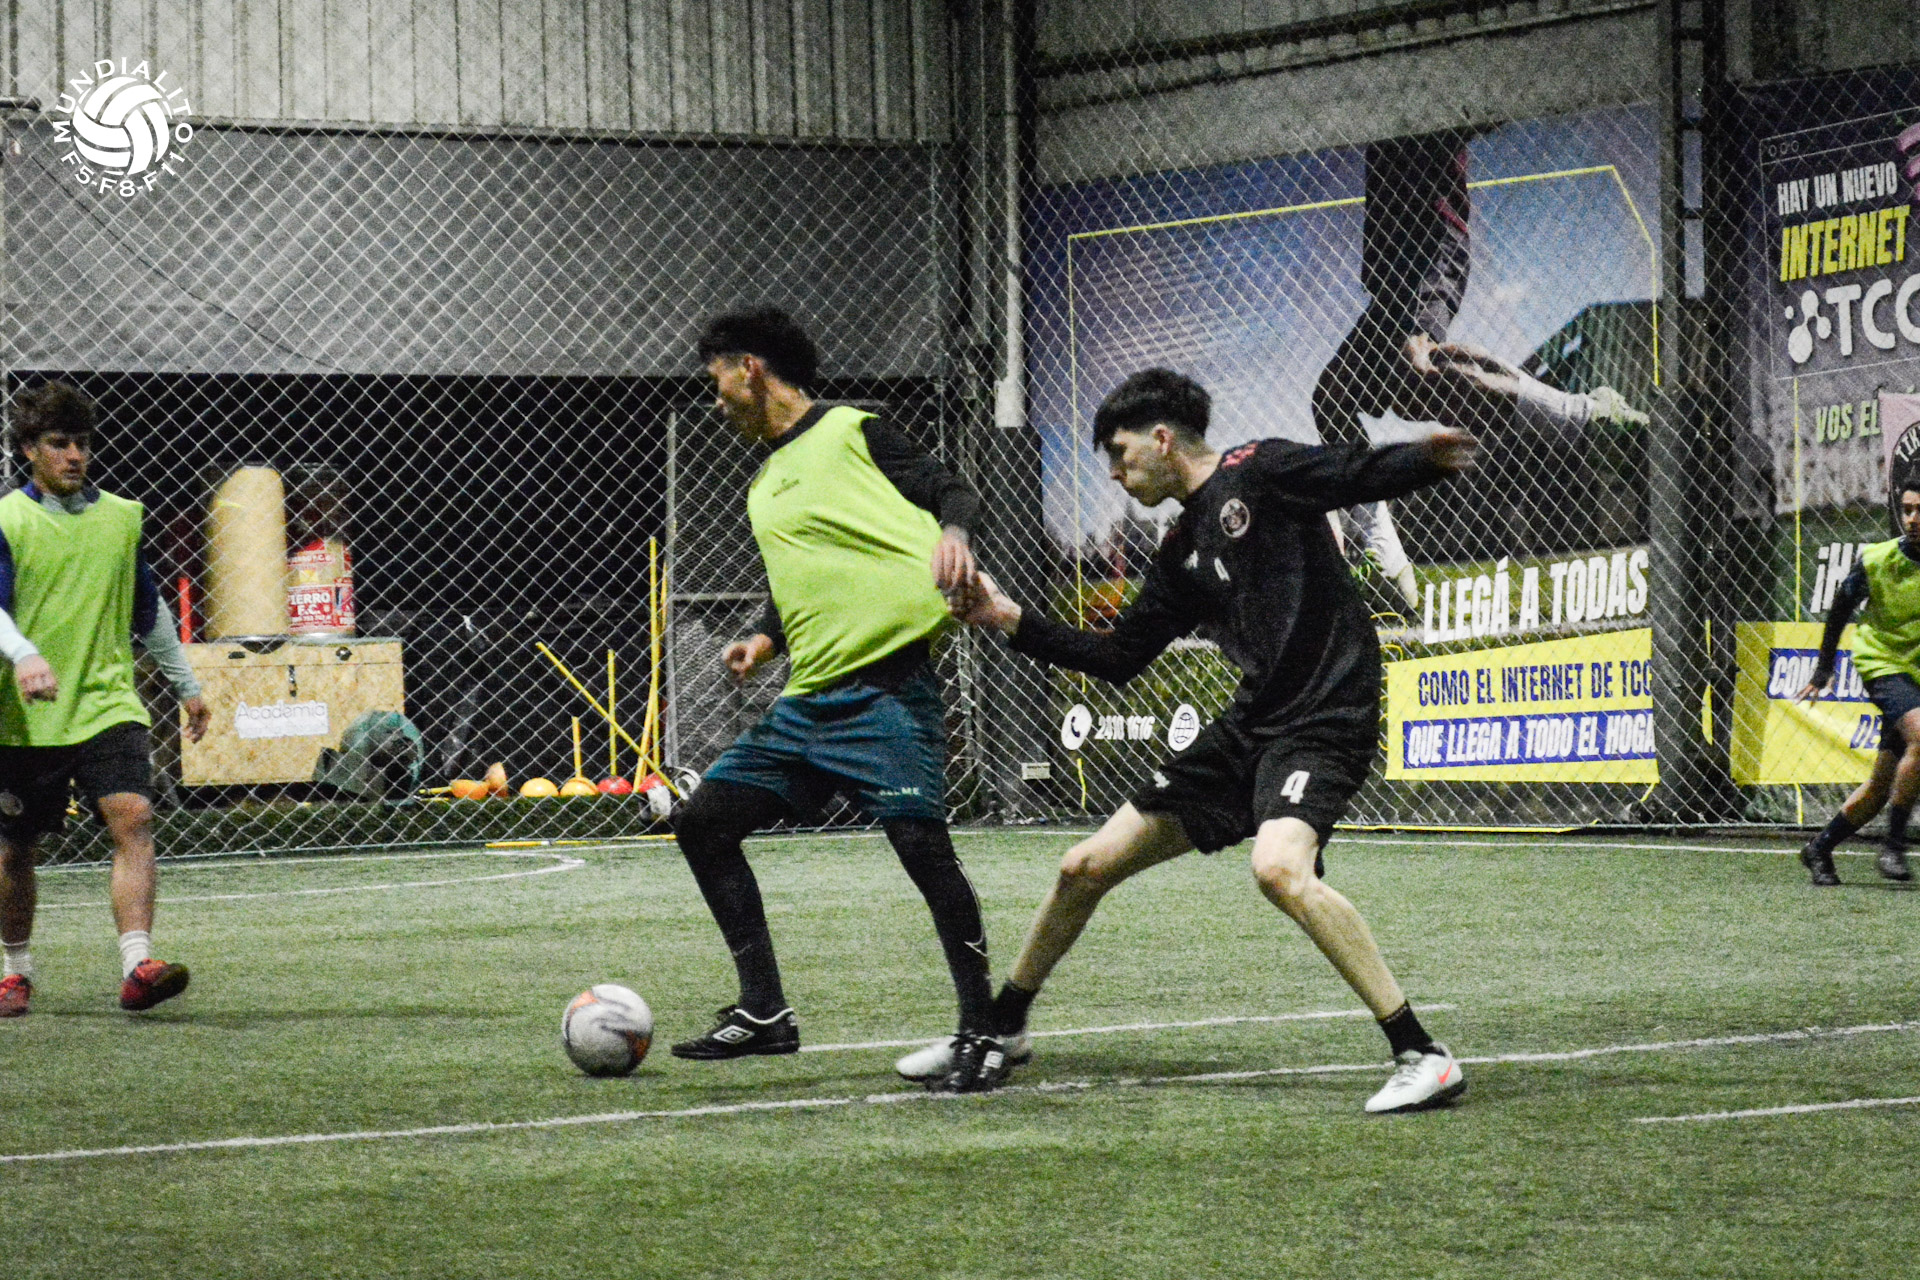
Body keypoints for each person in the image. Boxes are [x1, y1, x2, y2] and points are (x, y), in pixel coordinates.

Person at [900, 367, 1476, 1113]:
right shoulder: (1179, 549)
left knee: (1279, 870)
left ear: (1162, 438)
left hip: (1324, 720)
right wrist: (1007, 617)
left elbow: (1353, 473)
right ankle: (1001, 1028)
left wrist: (1427, 456)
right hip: (1249, 728)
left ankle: (1423, 1054)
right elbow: (1118, 657)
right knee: (1082, 867)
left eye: (1120, 452)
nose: (1114, 473)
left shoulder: (1260, 470)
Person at [667, 306, 1009, 1093]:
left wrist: (954, 535)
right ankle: (764, 1012)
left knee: (923, 849)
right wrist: (765, 637)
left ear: (752, 369)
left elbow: (951, 489)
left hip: (886, 692)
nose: (715, 399)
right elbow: (806, 576)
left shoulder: (857, 430)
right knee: (703, 822)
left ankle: (983, 1031)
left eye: (718, 379)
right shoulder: (763, 485)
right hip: (807, 705)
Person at [1313, 130, 1647, 605]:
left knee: (1419, 373)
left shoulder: (1415, 95)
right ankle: (1385, 560)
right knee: (1333, 396)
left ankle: (1587, 419)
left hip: (1425, 248)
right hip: (1392, 270)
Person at [0, 382, 210, 1018]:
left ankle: (137, 966)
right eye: (58, 443)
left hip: (106, 702)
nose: (74, 456)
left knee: (133, 816)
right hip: (24, 716)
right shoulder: (8, 520)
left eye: (82, 444)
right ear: (29, 449)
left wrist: (187, 685)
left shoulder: (122, 518)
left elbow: (148, 610)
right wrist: (24, 655)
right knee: (14, 850)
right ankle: (15, 970)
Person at [1794, 476, 1920, 886]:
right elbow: (1840, 609)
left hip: (1917, 675)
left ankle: (1819, 848)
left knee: (1881, 785)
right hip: (1882, 662)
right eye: (1907, 510)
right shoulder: (1878, 559)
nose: (1912, 519)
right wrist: (1823, 669)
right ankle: (1894, 846)